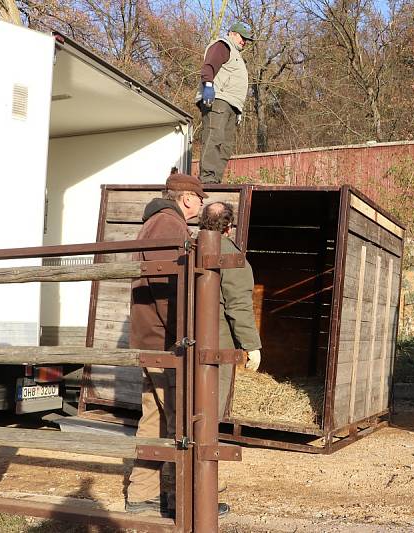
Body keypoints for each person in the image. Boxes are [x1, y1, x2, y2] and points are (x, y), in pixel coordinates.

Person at [126, 174, 228, 517]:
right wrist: (187, 335)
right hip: (168, 341)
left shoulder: (156, 222)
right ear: (187, 198)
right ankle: (188, 502)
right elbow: (169, 286)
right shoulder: (169, 224)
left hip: (154, 337)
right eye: (199, 199)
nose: (200, 206)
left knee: (155, 417)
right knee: (180, 419)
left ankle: (143, 498)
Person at [198, 201, 262, 418]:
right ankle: (202, 448)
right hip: (217, 340)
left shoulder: (187, 247)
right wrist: (251, 346)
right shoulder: (230, 255)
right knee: (211, 401)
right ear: (229, 227)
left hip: (181, 336)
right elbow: (238, 305)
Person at [196, 22, 252, 184]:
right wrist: (208, 85)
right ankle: (207, 179)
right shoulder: (222, 46)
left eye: (247, 39)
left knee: (226, 145)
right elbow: (209, 66)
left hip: (232, 105)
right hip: (218, 99)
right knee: (214, 137)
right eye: (243, 37)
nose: (245, 41)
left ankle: (215, 179)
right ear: (233, 34)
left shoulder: (236, 55)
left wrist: (238, 110)